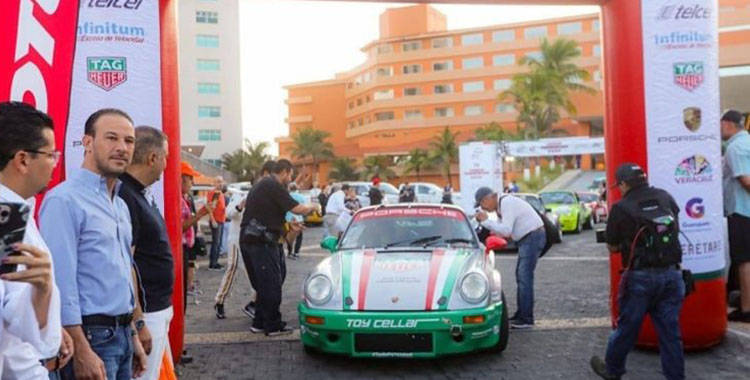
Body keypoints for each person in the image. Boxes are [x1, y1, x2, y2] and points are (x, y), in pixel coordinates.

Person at [40, 108, 147, 379]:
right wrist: (81, 349)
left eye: (129, 141)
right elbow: (59, 284)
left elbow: (122, 275)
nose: (122, 148)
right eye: (111, 138)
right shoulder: (64, 200)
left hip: (121, 334)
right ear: (87, 142)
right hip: (90, 337)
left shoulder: (120, 205)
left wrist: (132, 334)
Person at [590, 163, 685, 380]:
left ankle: (613, 370)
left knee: (626, 329)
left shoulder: (621, 208)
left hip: (640, 278)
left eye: (619, 186)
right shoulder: (665, 197)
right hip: (671, 275)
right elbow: (676, 228)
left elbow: (613, 247)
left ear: (623, 184)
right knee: (671, 334)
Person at [0, 102, 64, 378]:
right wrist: (42, 291)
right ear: (23, 160)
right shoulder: (7, 218)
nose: (54, 164)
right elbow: (13, 321)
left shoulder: (15, 212)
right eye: (51, 155)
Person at [117, 126, 175, 380]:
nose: (166, 165)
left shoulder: (138, 194)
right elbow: (124, 263)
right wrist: (138, 322)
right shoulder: (126, 196)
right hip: (147, 314)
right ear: (153, 158)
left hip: (158, 309)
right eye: (166, 157)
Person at [239, 159, 318, 336]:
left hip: (253, 240)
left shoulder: (264, 185)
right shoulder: (272, 185)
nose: (290, 179)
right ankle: (273, 325)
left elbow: (269, 216)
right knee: (272, 284)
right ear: (284, 172)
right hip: (261, 243)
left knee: (264, 284)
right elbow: (298, 209)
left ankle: (259, 322)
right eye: (290, 175)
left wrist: (290, 227)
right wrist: (313, 206)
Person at [475, 187, 545, 329]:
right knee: (521, 276)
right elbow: (503, 230)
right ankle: (521, 315)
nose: (483, 208)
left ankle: (526, 318)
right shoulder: (503, 205)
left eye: (482, 204)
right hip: (529, 238)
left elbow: (506, 230)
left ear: (488, 199)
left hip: (532, 237)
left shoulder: (506, 203)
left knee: (524, 277)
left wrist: (485, 222)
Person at [178, 161, 211, 365]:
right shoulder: (177, 199)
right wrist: (201, 214)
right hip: (180, 250)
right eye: (190, 179)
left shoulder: (184, 198)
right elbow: (179, 226)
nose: (191, 183)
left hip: (185, 250)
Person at [721, 110, 750, 322]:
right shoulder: (747, 142)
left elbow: (746, 180)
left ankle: (747, 309)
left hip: (741, 210)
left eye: (721, 125)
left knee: (743, 261)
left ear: (728, 124)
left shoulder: (735, 147)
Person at [213, 188, 254, 320]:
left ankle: (255, 303)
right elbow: (228, 213)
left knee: (255, 274)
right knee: (232, 269)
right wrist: (240, 205)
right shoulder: (239, 195)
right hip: (236, 240)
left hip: (252, 242)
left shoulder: (262, 196)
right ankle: (219, 301)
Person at [207, 176, 226, 271]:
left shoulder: (220, 193)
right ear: (214, 183)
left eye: (222, 182)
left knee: (218, 243)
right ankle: (213, 263)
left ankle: (215, 261)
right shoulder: (214, 193)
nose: (221, 183)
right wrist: (213, 220)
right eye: (218, 181)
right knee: (216, 242)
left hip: (221, 221)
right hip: (217, 221)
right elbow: (210, 207)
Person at [285, 183, 306, 260]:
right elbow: (305, 207)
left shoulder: (287, 196)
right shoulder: (301, 197)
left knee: (289, 236)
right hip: (299, 218)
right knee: (299, 236)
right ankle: (296, 252)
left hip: (288, 218)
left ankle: (289, 252)